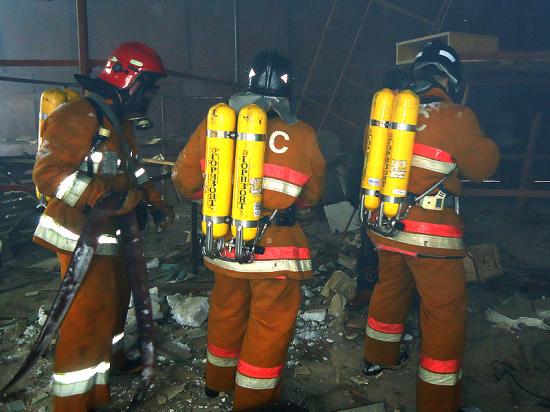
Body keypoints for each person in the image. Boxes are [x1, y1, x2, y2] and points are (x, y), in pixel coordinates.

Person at [172, 49, 325, 411]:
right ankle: (254, 401)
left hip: (225, 242)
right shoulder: (302, 133)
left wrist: (221, 203)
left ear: (249, 79)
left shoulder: (216, 125)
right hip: (275, 251)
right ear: (289, 87)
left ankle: (217, 382)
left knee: (226, 311)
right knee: (268, 327)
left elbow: (185, 180)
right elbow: (313, 196)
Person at [32, 42, 174, 412]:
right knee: (87, 317)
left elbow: (132, 168)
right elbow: (49, 174)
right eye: (147, 87)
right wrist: (104, 197)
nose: (149, 96)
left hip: (112, 234)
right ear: (128, 80)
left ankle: (110, 366)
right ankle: (74, 401)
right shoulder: (78, 115)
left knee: (114, 304)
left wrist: (155, 202)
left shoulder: (116, 121)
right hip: (79, 236)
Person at [361, 41, 499, 412]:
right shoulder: (455, 115)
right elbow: (483, 168)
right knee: (444, 313)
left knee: (390, 288)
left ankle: (377, 358)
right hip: (431, 237)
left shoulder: (388, 113)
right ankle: (437, 401)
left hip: (385, 225)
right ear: (450, 79)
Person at [348, 67, 410, 307]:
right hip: (390, 197)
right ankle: (379, 292)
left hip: (379, 197)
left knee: (375, 245)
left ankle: (370, 290)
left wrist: (355, 195)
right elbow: (360, 159)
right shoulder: (401, 123)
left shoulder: (378, 122)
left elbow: (359, 159)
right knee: (381, 246)